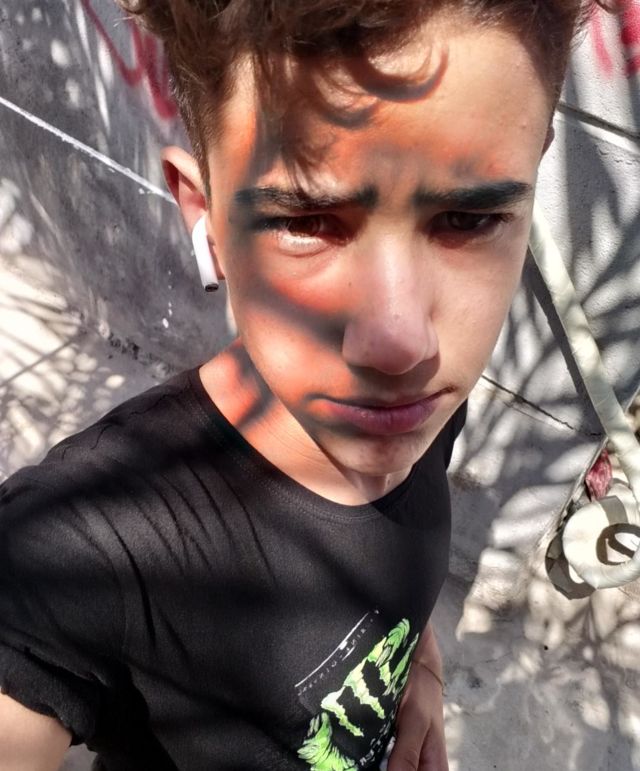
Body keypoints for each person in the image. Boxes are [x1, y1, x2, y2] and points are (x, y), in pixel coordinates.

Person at [0, 1, 608, 769]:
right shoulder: (83, 547)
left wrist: (418, 674)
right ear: (207, 218)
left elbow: (390, 580)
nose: (399, 345)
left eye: (467, 217)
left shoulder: (424, 413)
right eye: (307, 220)